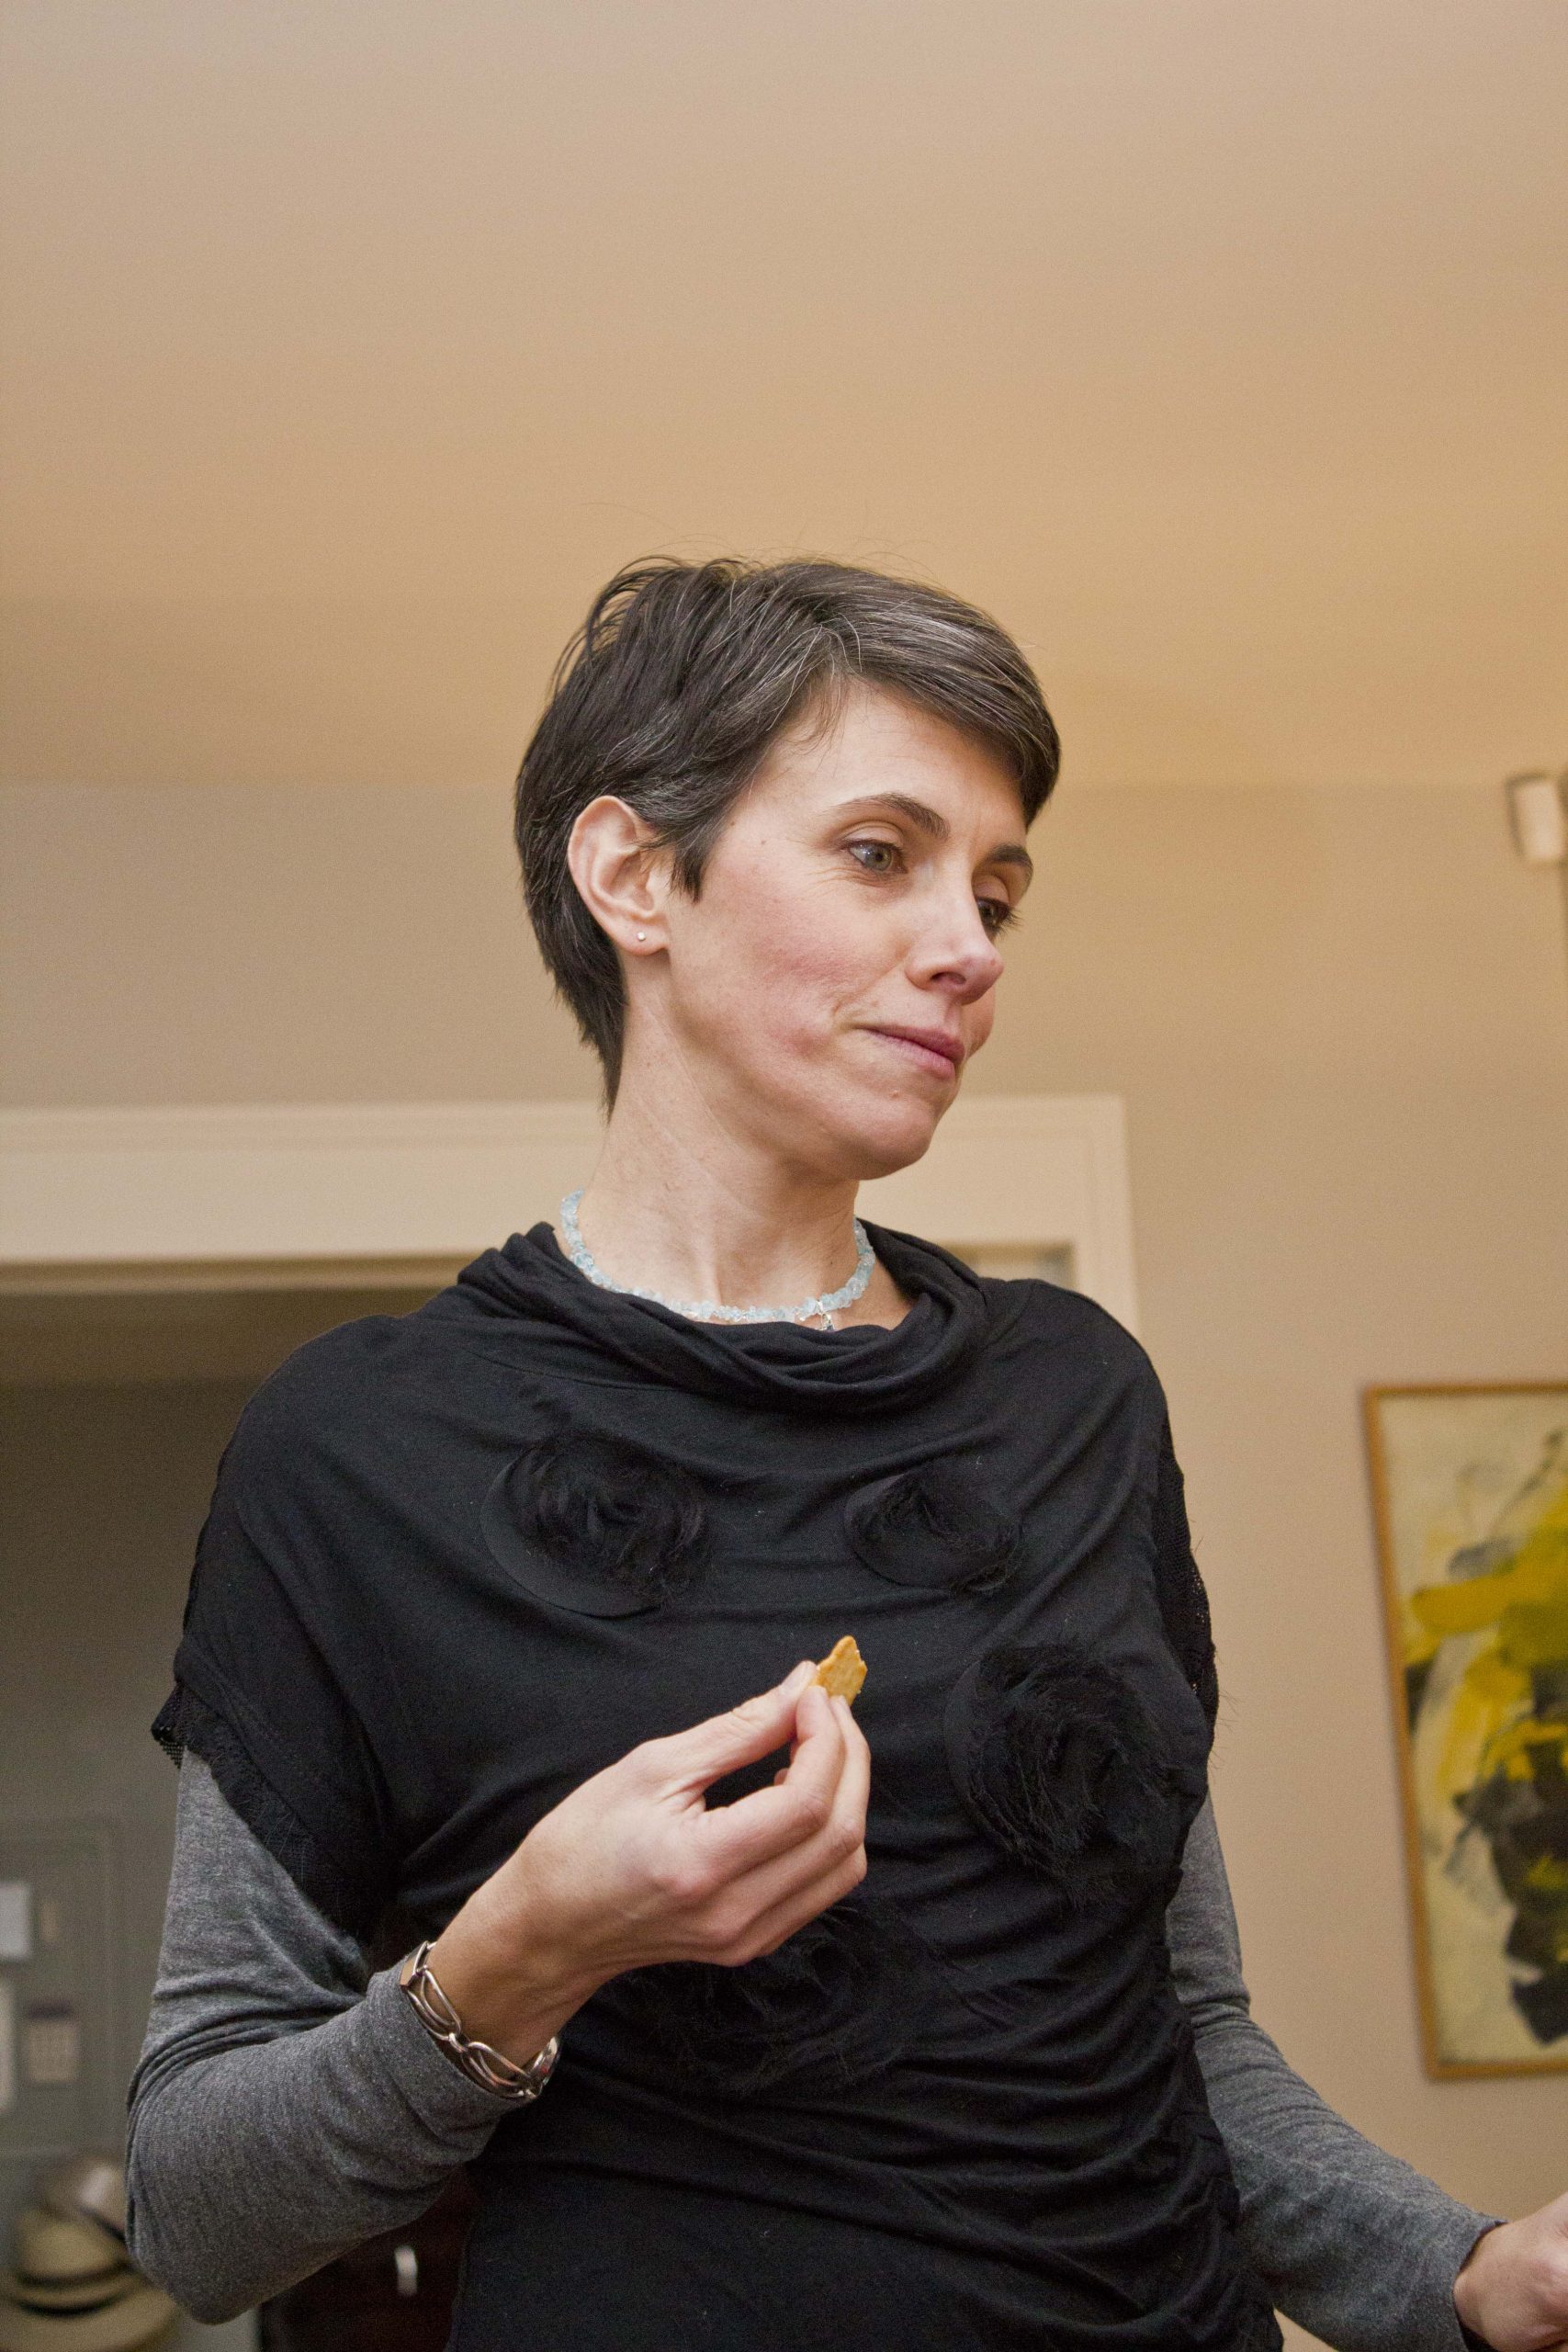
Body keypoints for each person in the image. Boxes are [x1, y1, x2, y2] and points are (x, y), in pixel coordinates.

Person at [125, 559, 1568, 2351]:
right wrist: (518, 1954)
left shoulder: (1079, 1397)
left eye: (997, 891)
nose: (970, 947)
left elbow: (1181, 2039)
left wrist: (1459, 2270)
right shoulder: (353, 1448)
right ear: (633, 874)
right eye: (881, 854)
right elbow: (196, 2211)